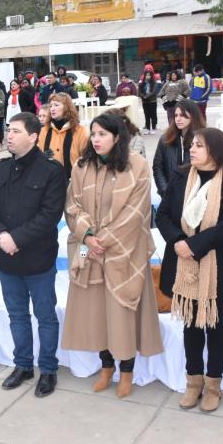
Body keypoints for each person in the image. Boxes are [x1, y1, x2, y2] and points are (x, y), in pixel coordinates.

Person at [63, 113, 163, 398]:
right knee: (97, 315)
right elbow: (73, 206)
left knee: (122, 315)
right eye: (93, 134)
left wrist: (101, 240)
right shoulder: (82, 167)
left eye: (103, 134)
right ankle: (106, 366)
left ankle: (127, 371)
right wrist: (88, 238)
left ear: (117, 137)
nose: (96, 139)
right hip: (89, 250)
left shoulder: (137, 166)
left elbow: (136, 213)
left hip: (124, 252)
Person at [156, 128, 223, 412]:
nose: (192, 149)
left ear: (216, 151)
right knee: (190, 324)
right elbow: (163, 215)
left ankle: (213, 385)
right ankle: (193, 381)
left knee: (215, 325)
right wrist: (180, 242)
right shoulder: (182, 176)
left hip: (217, 265)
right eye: (191, 145)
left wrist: (194, 245)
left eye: (198, 145)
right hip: (182, 262)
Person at [0, 112, 66, 397]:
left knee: (45, 316)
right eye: (8, 130)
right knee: (17, 315)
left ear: (33, 136)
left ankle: (48, 369)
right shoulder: (1, 168)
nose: (9, 135)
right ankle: (23, 365)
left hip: (38, 259)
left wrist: (16, 238)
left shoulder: (51, 171)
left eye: (15, 131)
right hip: (7, 259)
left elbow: (49, 215)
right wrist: (2, 235)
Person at [153, 99, 206, 195]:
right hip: (169, 195)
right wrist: (165, 192)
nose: (178, 119)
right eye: (176, 115)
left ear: (193, 116)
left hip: (194, 196)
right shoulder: (165, 138)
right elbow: (157, 168)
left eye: (182, 115)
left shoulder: (203, 139)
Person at [37, 93, 89, 187]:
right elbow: (36, 156)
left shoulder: (80, 131)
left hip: (73, 184)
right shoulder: (44, 131)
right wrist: (41, 156)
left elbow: (87, 159)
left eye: (56, 105)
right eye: (51, 105)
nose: (52, 108)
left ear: (67, 107)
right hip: (49, 184)